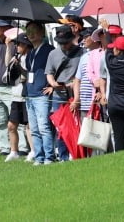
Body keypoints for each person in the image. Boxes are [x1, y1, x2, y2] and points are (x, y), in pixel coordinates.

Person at [0, 19, 27, 157]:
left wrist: (10, 45)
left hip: (11, 87)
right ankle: (4, 147)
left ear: (7, 28)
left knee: (15, 120)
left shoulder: (15, 44)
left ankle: (21, 146)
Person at [19, 23, 56, 163]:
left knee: (44, 128)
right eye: (28, 31)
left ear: (42, 32)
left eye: (34, 31)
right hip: (30, 94)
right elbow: (30, 73)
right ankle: (39, 157)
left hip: (42, 94)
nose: (31, 34)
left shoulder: (49, 50)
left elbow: (55, 69)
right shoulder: (30, 53)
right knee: (34, 129)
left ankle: (49, 157)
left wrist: (53, 86)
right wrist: (17, 65)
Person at [45, 25, 82, 160]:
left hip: (75, 94)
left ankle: (76, 153)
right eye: (61, 43)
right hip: (58, 96)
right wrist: (53, 83)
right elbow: (49, 73)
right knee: (61, 128)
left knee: (76, 124)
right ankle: (63, 156)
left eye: (66, 42)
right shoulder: (53, 54)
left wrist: (74, 84)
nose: (64, 46)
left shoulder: (81, 53)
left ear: (72, 39)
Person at [1, 35, 31, 161]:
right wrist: (8, 47)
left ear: (26, 45)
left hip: (26, 96)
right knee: (11, 125)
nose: (17, 47)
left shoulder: (30, 57)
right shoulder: (17, 57)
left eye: (19, 44)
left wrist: (19, 67)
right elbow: (8, 64)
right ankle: (14, 151)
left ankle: (33, 151)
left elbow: (27, 75)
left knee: (29, 126)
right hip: (15, 96)